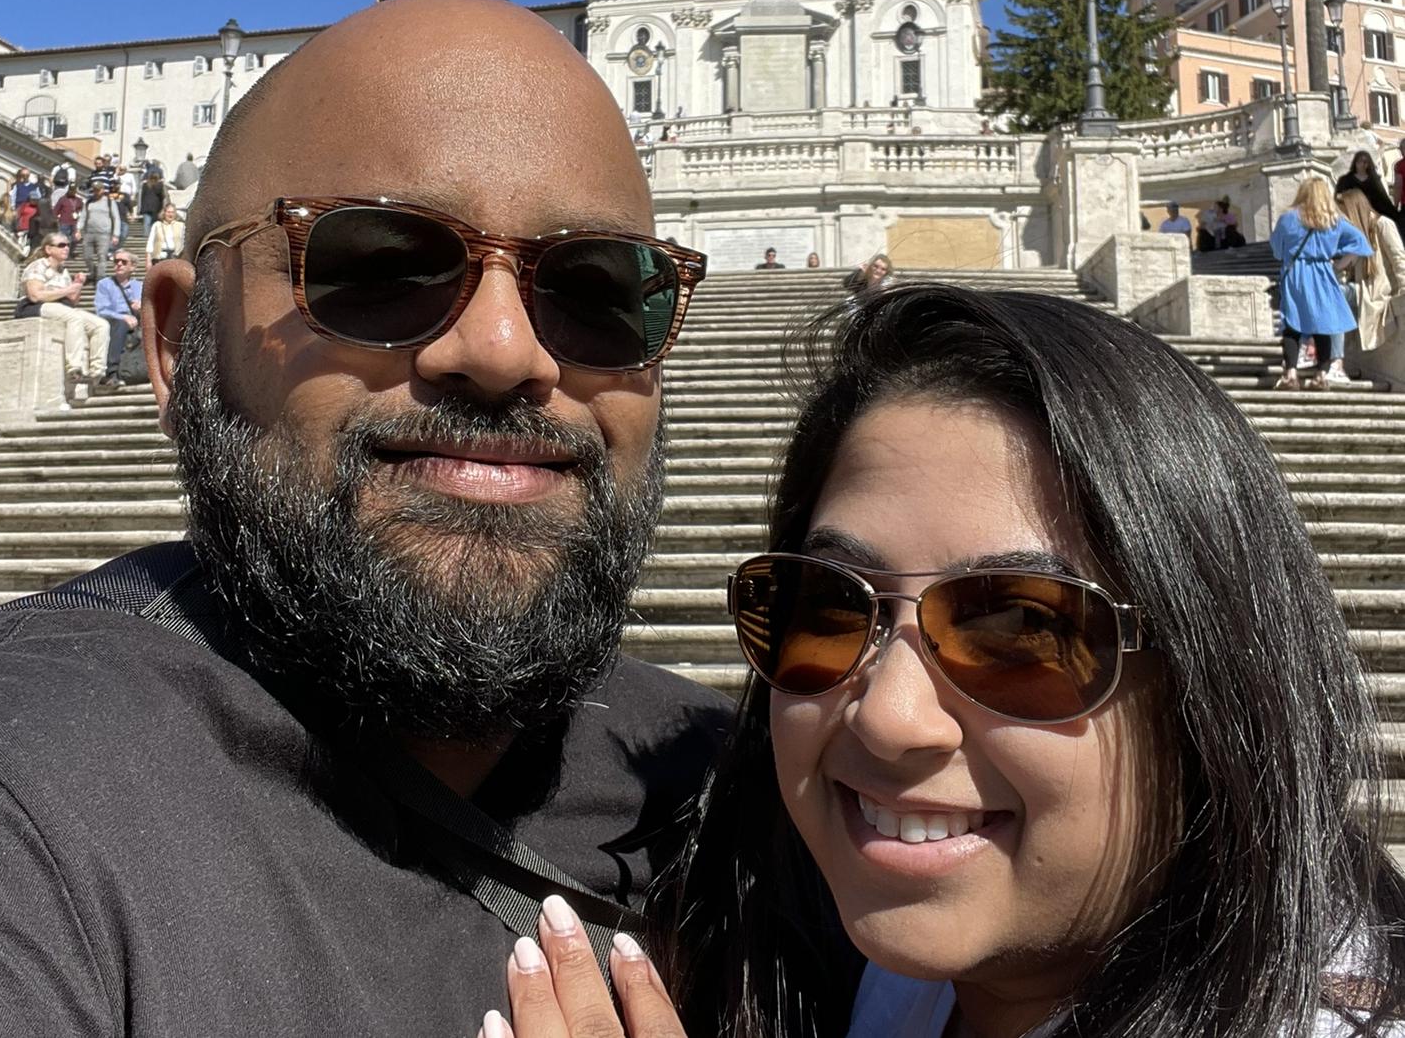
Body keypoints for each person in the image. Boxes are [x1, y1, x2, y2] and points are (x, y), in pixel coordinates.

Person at [0, 0, 727, 1035]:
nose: (507, 351)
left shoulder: (756, 791)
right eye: (379, 266)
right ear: (175, 341)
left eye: (601, 288)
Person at [494, 284, 1405, 1038]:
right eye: (825, 606)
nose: (887, 716)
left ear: (1212, 679)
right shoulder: (832, 950)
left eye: (1019, 630)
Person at [1271, 177, 1373, 391]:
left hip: (1295, 274)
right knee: (1323, 324)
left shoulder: (1287, 218)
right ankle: (1321, 375)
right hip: (1323, 274)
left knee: (1292, 325)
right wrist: (1339, 264)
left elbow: (1277, 251)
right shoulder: (1333, 221)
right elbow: (1361, 243)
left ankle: (1291, 374)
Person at [17, 235, 110, 402]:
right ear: (48, 249)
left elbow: (72, 300)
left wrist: (77, 285)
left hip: (61, 307)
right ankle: (74, 367)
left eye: (68, 245)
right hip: (34, 307)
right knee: (74, 318)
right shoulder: (37, 266)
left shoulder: (64, 271)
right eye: (61, 245)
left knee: (100, 325)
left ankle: (98, 372)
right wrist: (68, 290)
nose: (66, 248)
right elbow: (35, 295)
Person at [1336, 189, 1405, 377]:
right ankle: (1330, 357)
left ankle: (1330, 359)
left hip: (1376, 294)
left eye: (1344, 213)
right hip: (1361, 293)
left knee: (1332, 296)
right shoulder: (1358, 236)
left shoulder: (1382, 225)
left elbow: (1399, 260)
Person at [92, 248, 142, 388]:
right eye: (116, 261)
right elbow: (102, 309)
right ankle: (112, 371)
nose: (119, 264)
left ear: (132, 266)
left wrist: (141, 309)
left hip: (136, 322)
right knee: (120, 325)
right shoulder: (105, 284)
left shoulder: (140, 286)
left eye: (123, 262)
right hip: (112, 320)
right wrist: (123, 317)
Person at [1337, 150, 1397, 225]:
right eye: (1360, 161)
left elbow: (1382, 198)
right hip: (1353, 213)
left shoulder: (1374, 179)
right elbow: (1339, 196)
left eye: (1365, 162)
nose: (1363, 164)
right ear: (1355, 163)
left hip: (1374, 214)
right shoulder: (1346, 180)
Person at [81, 179, 120, 280]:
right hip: (89, 232)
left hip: (104, 233)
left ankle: (100, 278)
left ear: (103, 190)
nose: (96, 192)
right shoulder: (89, 202)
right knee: (87, 256)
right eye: (94, 190)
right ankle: (93, 271)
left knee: (102, 256)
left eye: (98, 189)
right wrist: (78, 229)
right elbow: (83, 216)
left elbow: (116, 218)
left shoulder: (109, 202)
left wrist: (116, 234)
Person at [138, 169, 169, 235]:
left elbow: (142, 197)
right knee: (153, 224)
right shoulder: (160, 186)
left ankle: (146, 239)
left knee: (147, 223)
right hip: (156, 208)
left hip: (146, 207)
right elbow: (163, 197)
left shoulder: (145, 185)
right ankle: (151, 238)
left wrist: (140, 208)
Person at [53, 181, 83, 246]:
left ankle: (71, 253)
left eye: (73, 190)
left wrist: (79, 216)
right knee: (63, 239)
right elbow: (56, 210)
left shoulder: (79, 200)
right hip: (64, 222)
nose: (72, 192)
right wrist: (56, 218)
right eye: (71, 190)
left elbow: (82, 211)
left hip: (74, 223)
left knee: (74, 240)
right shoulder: (63, 199)